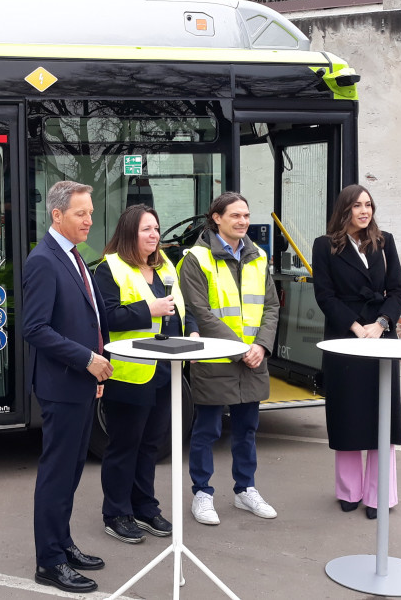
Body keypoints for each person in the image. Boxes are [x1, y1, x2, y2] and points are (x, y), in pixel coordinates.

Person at [22, 180, 113, 594]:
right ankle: (50, 561)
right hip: (62, 385)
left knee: (73, 471)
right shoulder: (43, 261)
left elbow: (86, 317)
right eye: (81, 213)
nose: (89, 221)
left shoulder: (75, 257)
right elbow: (34, 328)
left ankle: (63, 543)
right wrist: (87, 360)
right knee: (57, 475)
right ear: (57, 215)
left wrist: (95, 367)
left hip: (81, 383)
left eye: (90, 212)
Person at [94, 204, 198, 544]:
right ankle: (116, 513)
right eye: (146, 229)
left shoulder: (165, 265)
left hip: (165, 372)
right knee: (125, 445)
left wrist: (192, 330)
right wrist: (147, 310)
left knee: (152, 444)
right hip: (128, 374)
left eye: (156, 228)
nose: (154, 235)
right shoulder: (109, 269)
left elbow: (181, 306)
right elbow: (105, 319)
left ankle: (144, 507)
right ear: (129, 233)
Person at [178, 192, 280, 525]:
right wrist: (241, 348)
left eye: (246, 215)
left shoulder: (259, 256)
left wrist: (261, 346)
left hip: (253, 359)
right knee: (206, 430)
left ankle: (245, 490)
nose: (243, 221)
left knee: (247, 430)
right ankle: (202, 494)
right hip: (218, 360)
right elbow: (199, 312)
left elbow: (272, 307)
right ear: (216, 218)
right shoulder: (196, 258)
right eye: (235, 215)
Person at [311, 184, 401, 520]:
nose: (364, 211)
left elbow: (397, 290)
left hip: (381, 335)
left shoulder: (385, 242)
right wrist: (356, 328)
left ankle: (380, 495)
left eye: (368, 205)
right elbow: (325, 295)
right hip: (344, 337)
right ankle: (349, 492)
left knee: (383, 415)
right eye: (357, 206)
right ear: (344, 210)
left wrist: (380, 324)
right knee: (349, 412)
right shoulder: (325, 246)